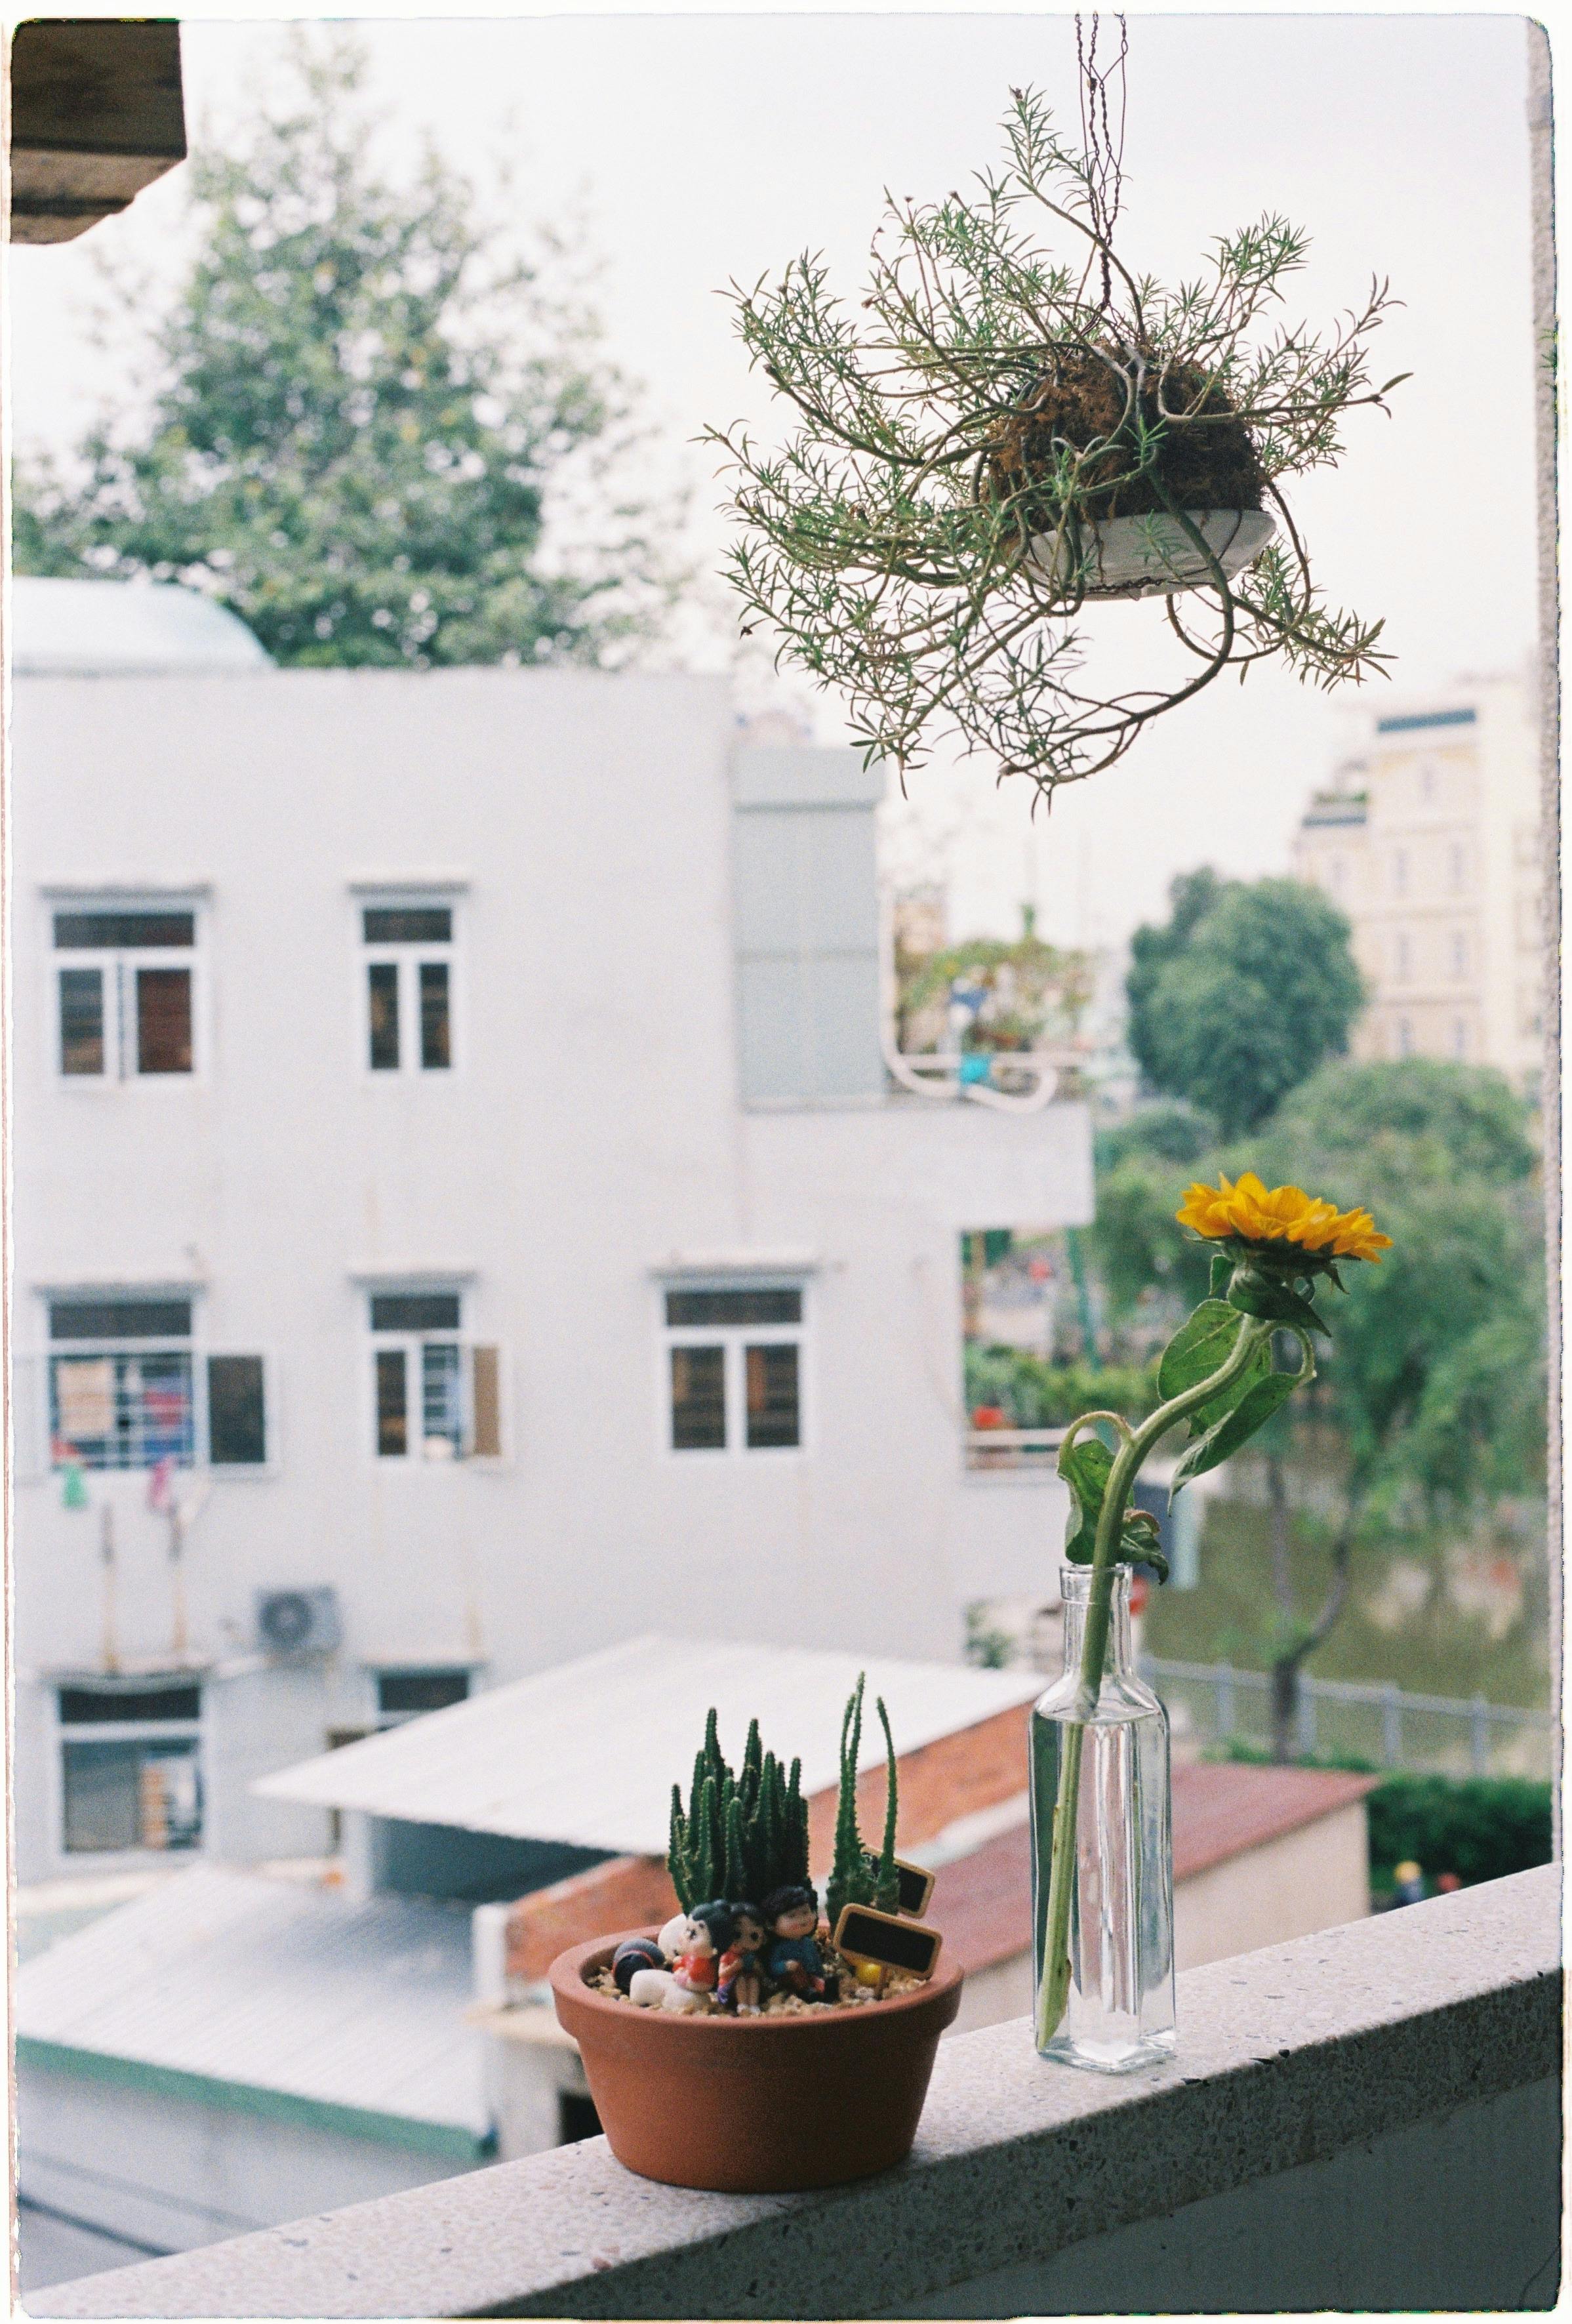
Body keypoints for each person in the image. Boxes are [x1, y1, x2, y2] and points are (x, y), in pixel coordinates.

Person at [762, 1883, 829, 2001]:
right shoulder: (780, 1947)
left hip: (811, 1976)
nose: (802, 1920)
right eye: (792, 1916)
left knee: (820, 1982)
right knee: (795, 1974)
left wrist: (821, 1974)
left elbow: (816, 1961)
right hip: (791, 1980)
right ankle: (806, 1993)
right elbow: (773, 1967)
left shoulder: (808, 1943)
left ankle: (823, 1990)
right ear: (772, 1925)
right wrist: (785, 1966)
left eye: (805, 1912)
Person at [715, 1904, 767, 2014]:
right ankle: (742, 2004)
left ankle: (753, 2005)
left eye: (754, 1936)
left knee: (753, 1980)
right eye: (737, 1935)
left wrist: (758, 1969)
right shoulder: (727, 1956)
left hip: (749, 1984)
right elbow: (722, 1974)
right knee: (741, 1979)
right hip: (728, 1988)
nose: (745, 1943)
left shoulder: (751, 1957)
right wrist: (734, 1967)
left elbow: (761, 1973)